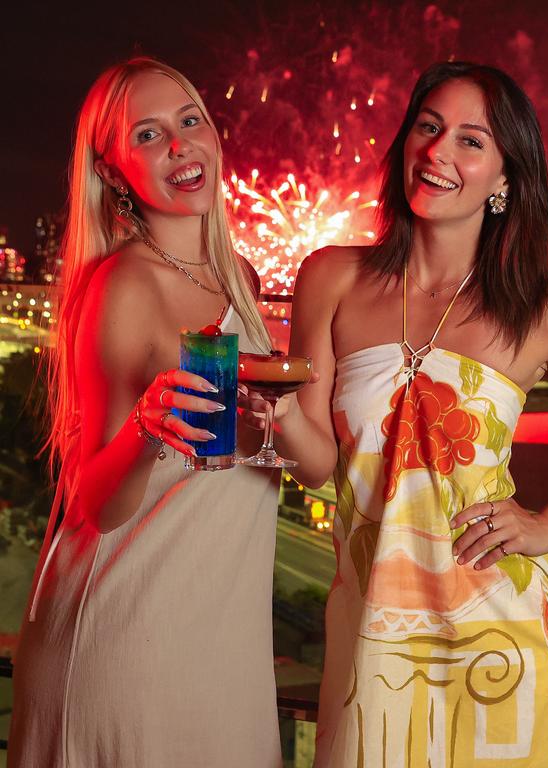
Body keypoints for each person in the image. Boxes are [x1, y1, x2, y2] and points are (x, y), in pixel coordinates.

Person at [274, 61, 548, 767]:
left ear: (506, 179)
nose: (439, 150)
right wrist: (273, 412)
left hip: (504, 631)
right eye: (428, 126)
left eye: (471, 141)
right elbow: (321, 464)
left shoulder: (547, 308)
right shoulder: (331, 277)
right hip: (371, 633)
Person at [9, 58, 282, 767]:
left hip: (223, 633)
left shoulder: (242, 280)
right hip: (131, 631)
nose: (180, 146)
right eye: (150, 135)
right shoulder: (122, 286)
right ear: (112, 169)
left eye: (190, 121)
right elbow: (95, 502)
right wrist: (143, 425)